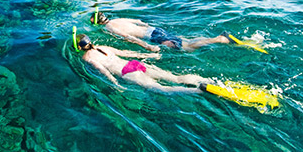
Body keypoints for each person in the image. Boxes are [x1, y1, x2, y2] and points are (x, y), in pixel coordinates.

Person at [77, 34, 211, 93]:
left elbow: (103, 71)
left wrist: (115, 84)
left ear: (79, 47)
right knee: (176, 78)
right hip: (134, 64)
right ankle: (206, 80)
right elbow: (126, 52)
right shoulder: (103, 47)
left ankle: (197, 91)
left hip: (127, 73)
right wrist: (147, 55)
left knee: (162, 89)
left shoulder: (87, 57)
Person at [90, 11, 232, 52]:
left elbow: (128, 37)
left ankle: (219, 39)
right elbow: (138, 21)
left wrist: (147, 46)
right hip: (154, 29)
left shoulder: (110, 28)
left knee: (185, 48)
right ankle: (214, 39)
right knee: (185, 41)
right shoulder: (119, 19)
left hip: (151, 37)